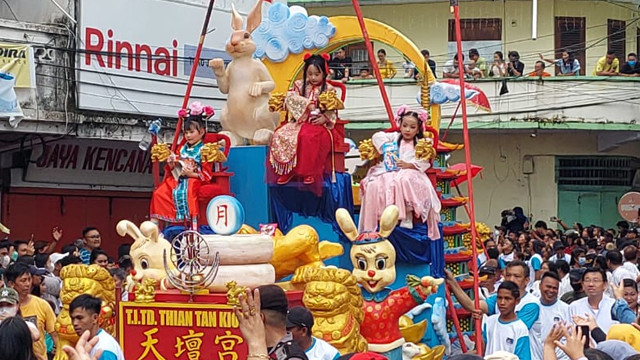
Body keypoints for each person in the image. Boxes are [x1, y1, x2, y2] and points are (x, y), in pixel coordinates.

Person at [357, 105, 441, 235]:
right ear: (400, 125)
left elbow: (424, 161)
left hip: (413, 172)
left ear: (418, 128)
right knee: (374, 183)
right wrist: (387, 147)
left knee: (403, 179)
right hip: (391, 170)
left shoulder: (422, 142)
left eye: (412, 127)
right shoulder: (394, 137)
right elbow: (377, 136)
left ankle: (406, 214)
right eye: (405, 125)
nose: (407, 130)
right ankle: (389, 215)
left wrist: (409, 165)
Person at [270, 54, 341, 190]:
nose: (313, 78)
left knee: (307, 137)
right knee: (280, 134)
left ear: (324, 73)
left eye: (317, 74)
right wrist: (307, 104)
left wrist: (324, 118)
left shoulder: (329, 89)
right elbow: (289, 98)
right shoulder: (298, 85)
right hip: (298, 122)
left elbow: (334, 109)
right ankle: (288, 170)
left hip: (317, 124)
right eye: (310, 74)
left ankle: (308, 173)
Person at [447, 260, 542, 360]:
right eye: (508, 275)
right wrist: (452, 282)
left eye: (516, 276)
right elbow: (472, 306)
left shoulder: (531, 304)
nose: (511, 279)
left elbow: (511, 328)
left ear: (526, 280)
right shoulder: (493, 310)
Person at [150, 102, 215, 223]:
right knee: (159, 192)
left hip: (195, 179)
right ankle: (154, 228)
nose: (188, 135)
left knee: (189, 192)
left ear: (201, 132)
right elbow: (174, 169)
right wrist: (171, 163)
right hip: (178, 179)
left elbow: (207, 174)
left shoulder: (205, 149)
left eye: (191, 132)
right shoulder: (181, 148)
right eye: (186, 132)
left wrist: (191, 174)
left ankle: (193, 225)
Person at [237, 285, 308, 360]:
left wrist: (256, 346)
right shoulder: (271, 351)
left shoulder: (292, 357)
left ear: (260, 318)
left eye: (247, 316)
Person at [5, 262, 57, 360]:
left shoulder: (42, 304)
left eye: (29, 279)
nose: (28, 284)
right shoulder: (3, 308)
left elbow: (55, 335)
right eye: (23, 280)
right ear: (11, 284)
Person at [482, 281, 531, 360]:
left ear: (517, 301)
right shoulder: (489, 322)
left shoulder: (520, 328)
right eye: (499, 298)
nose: (502, 303)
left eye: (507, 299)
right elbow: (481, 350)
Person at [69, 294, 124, 360]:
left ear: (95, 318)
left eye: (79, 318)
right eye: (73, 318)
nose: (75, 323)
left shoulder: (104, 348)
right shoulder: (86, 342)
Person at [568, 268, 618, 332]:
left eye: (596, 280)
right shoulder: (574, 306)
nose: (591, 284)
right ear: (583, 284)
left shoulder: (614, 306)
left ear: (605, 284)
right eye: (587, 280)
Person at [537, 272, 571, 360]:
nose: (551, 291)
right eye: (548, 287)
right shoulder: (532, 307)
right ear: (540, 286)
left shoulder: (566, 309)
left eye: (555, 288)